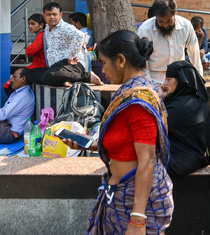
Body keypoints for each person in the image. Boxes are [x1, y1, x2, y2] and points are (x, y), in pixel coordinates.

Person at [61, 30, 173, 233]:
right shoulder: (128, 92)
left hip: (133, 203)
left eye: (104, 62)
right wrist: (92, 144)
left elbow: (147, 160)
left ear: (121, 61)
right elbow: (127, 144)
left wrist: (138, 218)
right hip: (119, 194)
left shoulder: (139, 102)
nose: (103, 70)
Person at [25, 2, 102, 87]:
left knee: (48, 76)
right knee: (28, 74)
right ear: (44, 16)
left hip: (72, 65)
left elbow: (80, 36)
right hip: (56, 67)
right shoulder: (47, 28)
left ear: (60, 15)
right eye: (48, 14)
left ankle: (87, 77)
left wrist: (70, 56)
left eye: (54, 14)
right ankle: (64, 80)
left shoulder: (65, 27)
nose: (52, 17)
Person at [163, 60, 210, 177]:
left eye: (168, 79)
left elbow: (157, 125)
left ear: (181, 81)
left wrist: (159, 97)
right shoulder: (195, 99)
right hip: (193, 157)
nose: (164, 83)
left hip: (182, 160)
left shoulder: (182, 107)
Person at [138, 0, 203, 83]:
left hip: (180, 80)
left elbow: (195, 55)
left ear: (174, 14)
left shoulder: (186, 26)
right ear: (156, 16)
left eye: (169, 21)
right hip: (153, 80)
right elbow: (142, 60)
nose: (165, 25)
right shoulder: (145, 29)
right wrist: (148, 84)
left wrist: (199, 81)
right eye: (161, 22)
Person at [4, 14, 47, 96]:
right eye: (29, 24)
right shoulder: (41, 34)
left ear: (41, 25)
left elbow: (30, 51)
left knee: (8, 85)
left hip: (39, 67)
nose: (30, 26)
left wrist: (28, 50)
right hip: (38, 66)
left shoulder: (41, 35)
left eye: (33, 24)